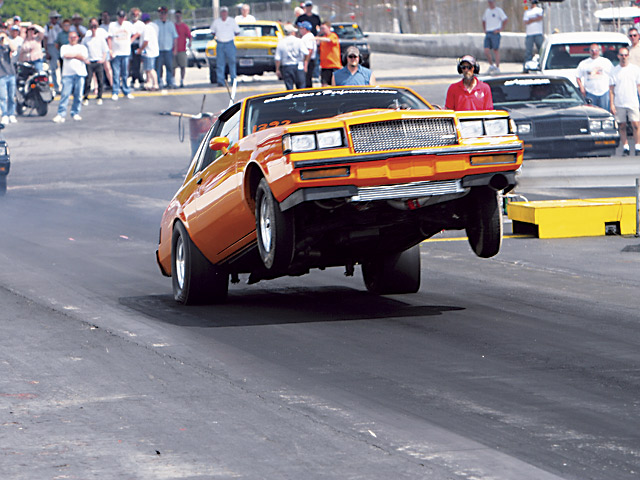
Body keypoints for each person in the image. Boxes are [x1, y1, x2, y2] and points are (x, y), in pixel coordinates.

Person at [609, 46, 640, 155]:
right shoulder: (614, 71)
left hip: (632, 101)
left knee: (636, 124)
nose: (623, 57)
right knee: (622, 126)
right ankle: (626, 147)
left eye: (625, 55)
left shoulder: (635, 70)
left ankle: (637, 147)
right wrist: (612, 104)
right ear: (618, 56)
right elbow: (611, 90)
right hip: (619, 102)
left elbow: (638, 86)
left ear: (628, 56)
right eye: (621, 55)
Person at [52, 31, 88, 123]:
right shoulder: (64, 47)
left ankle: (75, 112)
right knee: (65, 95)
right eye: (71, 37)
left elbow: (84, 57)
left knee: (78, 95)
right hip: (67, 74)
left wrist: (73, 55)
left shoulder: (82, 47)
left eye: (74, 37)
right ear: (68, 38)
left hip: (80, 74)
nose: (73, 39)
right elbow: (65, 55)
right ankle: (61, 114)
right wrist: (76, 55)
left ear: (77, 38)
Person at [108, 10, 136, 100]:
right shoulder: (112, 25)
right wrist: (110, 50)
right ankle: (115, 91)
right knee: (116, 73)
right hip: (116, 53)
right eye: (120, 17)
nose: (121, 19)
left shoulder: (128, 25)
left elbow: (136, 33)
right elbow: (109, 38)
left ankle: (126, 90)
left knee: (125, 73)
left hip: (125, 52)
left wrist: (130, 42)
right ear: (117, 17)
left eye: (123, 17)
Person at [576, 44, 613, 111]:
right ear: (589, 51)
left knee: (604, 113)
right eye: (592, 50)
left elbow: (613, 75)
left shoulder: (606, 62)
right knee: (592, 112)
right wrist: (582, 88)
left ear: (599, 51)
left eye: (596, 50)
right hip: (590, 93)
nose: (594, 52)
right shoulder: (584, 63)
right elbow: (578, 77)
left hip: (604, 93)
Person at [210, 6, 240, 87]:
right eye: (222, 12)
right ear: (220, 13)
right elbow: (212, 32)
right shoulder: (216, 22)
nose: (223, 13)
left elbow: (237, 32)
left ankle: (233, 80)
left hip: (230, 43)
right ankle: (220, 80)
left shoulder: (232, 21)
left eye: (225, 12)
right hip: (220, 43)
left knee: (232, 62)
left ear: (227, 13)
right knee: (220, 63)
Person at [82, 18, 109, 106]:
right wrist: (85, 60)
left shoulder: (100, 38)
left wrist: (103, 59)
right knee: (88, 80)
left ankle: (99, 97)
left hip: (98, 61)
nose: (93, 28)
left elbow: (105, 50)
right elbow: (82, 49)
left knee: (100, 80)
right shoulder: (86, 39)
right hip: (90, 62)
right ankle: (86, 97)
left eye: (95, 26)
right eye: (92, 26)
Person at [274, 23, 304, 90]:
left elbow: (277, 58)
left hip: (286, 66)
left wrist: (277, 69)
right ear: (292, 32)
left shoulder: (281, 42)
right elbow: (305, 52)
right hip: (298, 65)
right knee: (301, 88)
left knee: (289, 87)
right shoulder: (299, 41)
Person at [154, 6, 178, 89]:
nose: (162, 15)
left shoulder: (170, 24)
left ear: (166, 14)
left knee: (169, 67)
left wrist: (175, 49)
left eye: (164, 13)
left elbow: (175, 37)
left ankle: (169, 82)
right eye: (161, 13)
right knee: (158, 67)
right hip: (158, 49)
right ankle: (159, 81)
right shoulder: (155, 23)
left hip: (168, 49)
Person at [482, 0, 508, 74]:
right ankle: (491, 65)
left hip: (495, 32)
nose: (491, 3)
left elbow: (505, 19)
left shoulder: (498, 10)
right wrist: (485, 29)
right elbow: (483, 20)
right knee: (486, 50)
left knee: (495, 50)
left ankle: (497, 67)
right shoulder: (487, 11)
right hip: (488, 32)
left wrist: (500, 29)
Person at [137, 13, 159, 91]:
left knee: (150, 69)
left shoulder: (146, 27)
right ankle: (148, 83)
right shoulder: (155, 26)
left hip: (149, 51)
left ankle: (155, 84)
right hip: (154, 50)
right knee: (147, 69)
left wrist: (140, 49)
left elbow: (146, 40)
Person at [0, 30, 17, 125]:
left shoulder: (7, 48)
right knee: (3, 97)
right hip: (1, 75)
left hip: (10, 73)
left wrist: (7, 39)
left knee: (11, 96)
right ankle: (5, 114)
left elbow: (14, 49)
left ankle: (11, 113)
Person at [316, 21, 341, 87]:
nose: (322, 30)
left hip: (334, 65)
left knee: (334, 84)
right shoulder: (322, 38)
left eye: (323, 28)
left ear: (329, 28)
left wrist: (319, 38)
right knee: (324, 84)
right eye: (321, 28)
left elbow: (329, 40)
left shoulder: (333, 36)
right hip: (324, 66)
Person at [173, 10, 191, 88]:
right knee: (173, 66)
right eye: (176, 16)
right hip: (173, 49)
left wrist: (189, 43)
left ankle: (182, 80)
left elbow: (189, 36)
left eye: (179, 16)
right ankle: (173, 80)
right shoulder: (173, 26)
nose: (178, 18)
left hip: (182, 50)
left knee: (182, 66)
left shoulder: (184, 26)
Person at [45, 10, 62, 92]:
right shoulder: (48, 27)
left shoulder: (59, 26)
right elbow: (45, 38)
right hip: (51, 46)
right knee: (53, 67)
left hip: (60, 46)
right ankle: (55, 85)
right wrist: (47, 51)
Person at [523, 0, 543, 66]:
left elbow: (540, 18)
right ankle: (527, 65)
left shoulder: (539, 10)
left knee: (541, 49)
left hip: (538, 33)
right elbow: (526, 21)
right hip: (529, 34)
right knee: (528, 51)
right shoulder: (527, 12)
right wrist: (535, 18)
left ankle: (541, 64)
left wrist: (531, 19)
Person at [129, 8, 145, 89]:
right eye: (133, 14)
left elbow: (139, 34)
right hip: (130, 46)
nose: (135, 16)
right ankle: (133, 79)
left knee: (139, 63)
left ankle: (141, 79)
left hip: (139, 45)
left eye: (136, 14)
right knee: (132, 63)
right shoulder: (128, 24)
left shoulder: (141, 24)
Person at [297, 21, 316, 88]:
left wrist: (306, 63)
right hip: (307, 61)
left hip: (308, 61)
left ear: (305, 29)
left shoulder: (308, 37)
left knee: (306, 80)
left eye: (301, 28)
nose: (300, 30)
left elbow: (309, 50)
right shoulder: (306, 36)